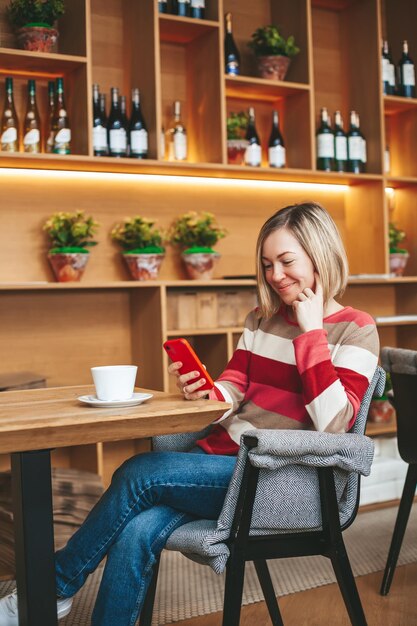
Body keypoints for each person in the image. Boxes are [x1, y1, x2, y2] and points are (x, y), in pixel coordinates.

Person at [0, 202, 379, 626]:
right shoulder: (262, 319)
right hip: (223, 464)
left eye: (287, 262)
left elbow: (334, 425)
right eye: (268, 264)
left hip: (280, 479)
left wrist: (311, 334)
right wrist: (206, 392)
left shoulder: (356, 328)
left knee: (141, 472)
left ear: (320, 254)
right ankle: (59, 598)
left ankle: (50, 588)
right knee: (138, 527)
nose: (275, 276)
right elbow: (233, 388)